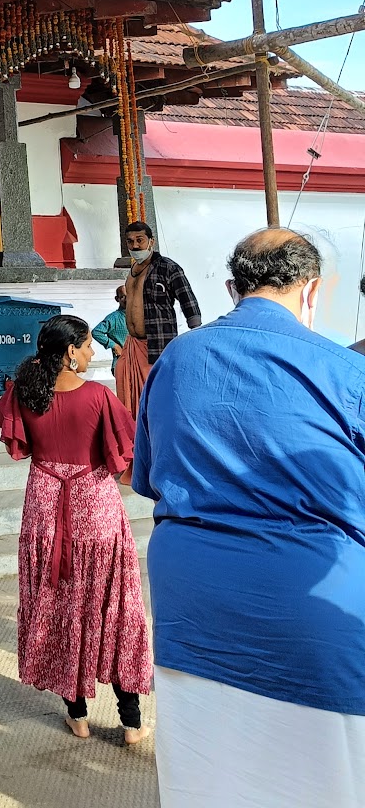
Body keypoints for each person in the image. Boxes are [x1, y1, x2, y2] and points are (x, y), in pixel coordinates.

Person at [133, 228, 365, 805]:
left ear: (234, 288)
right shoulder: (344, 372)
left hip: (191, 606)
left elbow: (149, 477)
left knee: (208, 777)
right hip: (313, 614)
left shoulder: (178, 359)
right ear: (311, 291)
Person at [0, 315, 151, 744]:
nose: (93, 351)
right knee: (113, 606)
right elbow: (121, 459)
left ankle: (76, 714)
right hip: (93, 504)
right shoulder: (99, 396)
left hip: (44, 506)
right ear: (70, 352)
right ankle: (131, 719)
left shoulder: (24, 393)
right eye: (86, 345)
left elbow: (20, 447)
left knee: (60, 604)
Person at [117, 219, 201, 422]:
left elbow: (187, 300)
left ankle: (160, 434)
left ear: (151, 241)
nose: (135, 246)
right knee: (128, 389)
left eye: (140, 240)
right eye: (130, 241)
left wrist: (195, 338)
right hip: (133, 345)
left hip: (157, 343)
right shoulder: (132, 271)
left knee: (157, 396)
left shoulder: (168, 267)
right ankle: (137, 437)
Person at [91, 286, 127, 363]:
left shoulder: (139, 316)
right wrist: (114, 345)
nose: (127, 299)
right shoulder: (114, 318)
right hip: (121, 363)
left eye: (130, 295)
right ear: (117, 299)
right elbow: (96, 332)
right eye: (123, 296)